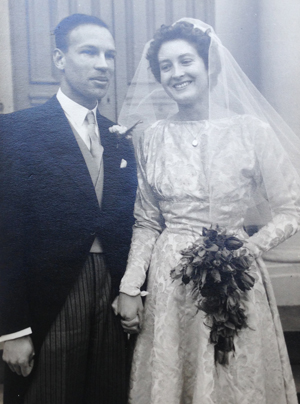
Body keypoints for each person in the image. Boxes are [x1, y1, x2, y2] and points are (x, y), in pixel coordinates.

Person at [116, 18, 300, 404]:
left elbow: (291, 208)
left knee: (234, 377)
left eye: (186, 61)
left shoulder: (252, 132)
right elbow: (147, 221)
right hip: (171, 284)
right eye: (166, 66)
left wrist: (247, 249)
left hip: (234, 277)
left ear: (208, 65)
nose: (177, 73)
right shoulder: (151, 137)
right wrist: (130, 287)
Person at [0, 13, 136, 404]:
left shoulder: (119, 139)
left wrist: (131, 290)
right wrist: (13, 329)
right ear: (60, 59)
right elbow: (5, 237)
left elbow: (128, 226)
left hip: (110, 292)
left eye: (109, 55)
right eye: (89, 52)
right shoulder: (17, 131)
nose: (103, 64)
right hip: (51, 297)